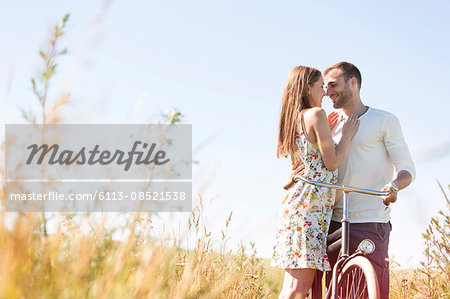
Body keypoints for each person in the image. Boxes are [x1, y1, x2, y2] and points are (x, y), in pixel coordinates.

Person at [290, 62, 416, 298]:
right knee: (333, 291)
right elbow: (312, 159)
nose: (327, 92)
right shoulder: (329, 122)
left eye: (333, 85)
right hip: (330, 220)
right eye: (324, 86)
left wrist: (395, 185)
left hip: (369, 219)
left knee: (370, 291)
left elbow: (408, 168)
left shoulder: (384, 120)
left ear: (353, 82)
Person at [271, 66, 360, 299]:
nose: (324, 92)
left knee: (291, 286)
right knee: (298, 288)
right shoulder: (316, 115)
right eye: (321, 86)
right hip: (309, 210)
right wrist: (347, 137)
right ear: (307, 88)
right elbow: (332, 164)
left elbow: (303, 167)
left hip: (297, 205)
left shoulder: (293, 119)